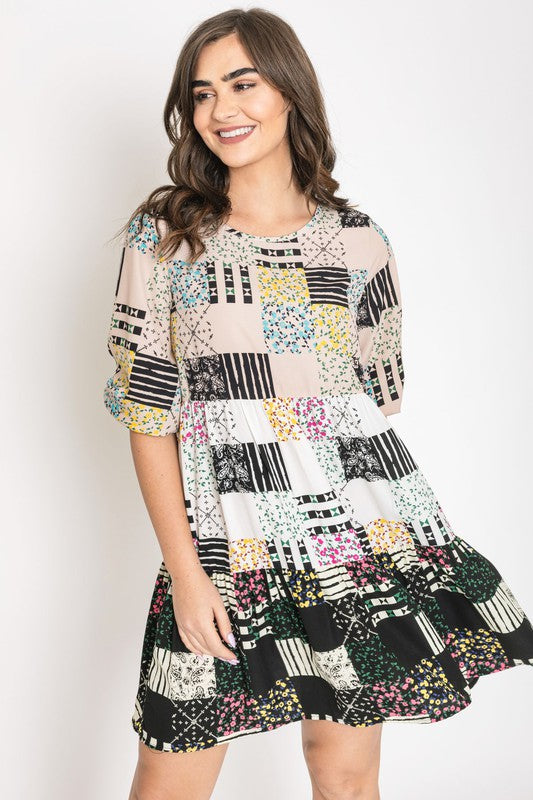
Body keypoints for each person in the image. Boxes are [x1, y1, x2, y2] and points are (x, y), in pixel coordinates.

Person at [103, 7, 533, 800]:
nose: (220, 110)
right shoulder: (165, 235)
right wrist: (187, 572)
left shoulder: (357, 240)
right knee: (169, 771)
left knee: (342, 769)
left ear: (290, 92)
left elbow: (371, 406)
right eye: (201, 94)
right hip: (222, 546)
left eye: (242, 83)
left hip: (348, 539)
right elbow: (146, 412)